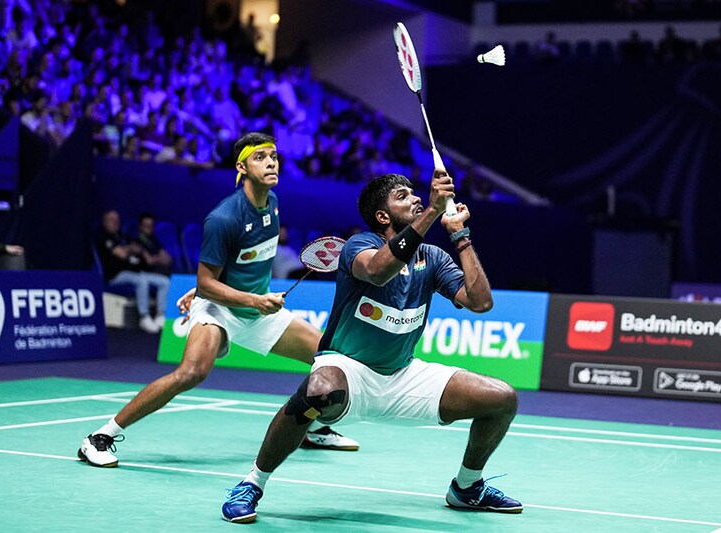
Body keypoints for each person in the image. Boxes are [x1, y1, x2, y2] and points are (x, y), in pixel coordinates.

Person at [221, 171, 522, 523]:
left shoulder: (432, 258)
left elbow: (480, 302)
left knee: (501, 398)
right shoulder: (358, 246)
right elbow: (379, 272)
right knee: (319, 388)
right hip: (348, 370)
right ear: (383, 216)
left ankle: (467, 488)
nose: (414, 198)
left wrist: (460, 235)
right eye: (403, 196)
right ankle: (252, 483)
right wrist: (432, 213)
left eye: (415, 194)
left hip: (404, 374)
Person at [78, 133, 359, 469]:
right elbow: (207, 283)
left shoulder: (272, 204)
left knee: (329, 359)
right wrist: (215, 293)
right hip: (221, 308)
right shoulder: (224, 218)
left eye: (274, 156)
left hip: (255, 308)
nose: (271, 162)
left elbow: (238, 264)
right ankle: (100, 437)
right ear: (241, 166)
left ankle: (312, 427)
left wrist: (239, 297)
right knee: (192, 372)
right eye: (261, 157)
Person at [95, 209, 169, 334]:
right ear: (104, 222)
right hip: (115, 275)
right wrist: (132, 249)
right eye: (111, 220)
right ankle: (144, 317)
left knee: (165, 281)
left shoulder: (123, 237)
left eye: (117, 220)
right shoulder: (104, 238)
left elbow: (143, 253)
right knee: (141, 280)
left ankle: (161, 315)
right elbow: (123, 254)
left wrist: (137, 250)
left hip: (135, 272)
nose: (115, 222)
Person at [133, 212, 174, 276]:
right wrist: (159, 259)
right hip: (144, 273)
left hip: (159, 271)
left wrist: (156, 259)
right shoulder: (136, 241)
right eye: (146, 225)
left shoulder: (154, 240)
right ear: (140, 226)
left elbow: (168, 258)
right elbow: (149, 261)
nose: (149, 228)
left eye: (151, 225)